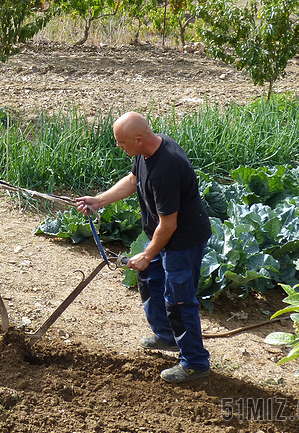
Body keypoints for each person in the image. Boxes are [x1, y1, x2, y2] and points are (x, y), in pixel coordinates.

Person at [76, 111, 211, 383]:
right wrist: (99, 200)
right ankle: (167, 337)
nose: (118, 146)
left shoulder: (167, 169)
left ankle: (195, 363)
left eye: (121, 142)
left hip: (181, 243)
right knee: (149, 279)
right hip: (162, 236)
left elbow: (169, 225)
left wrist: (147, 254)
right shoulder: (147, 150)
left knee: (179, 301)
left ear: (138, 139)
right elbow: (133, 179)